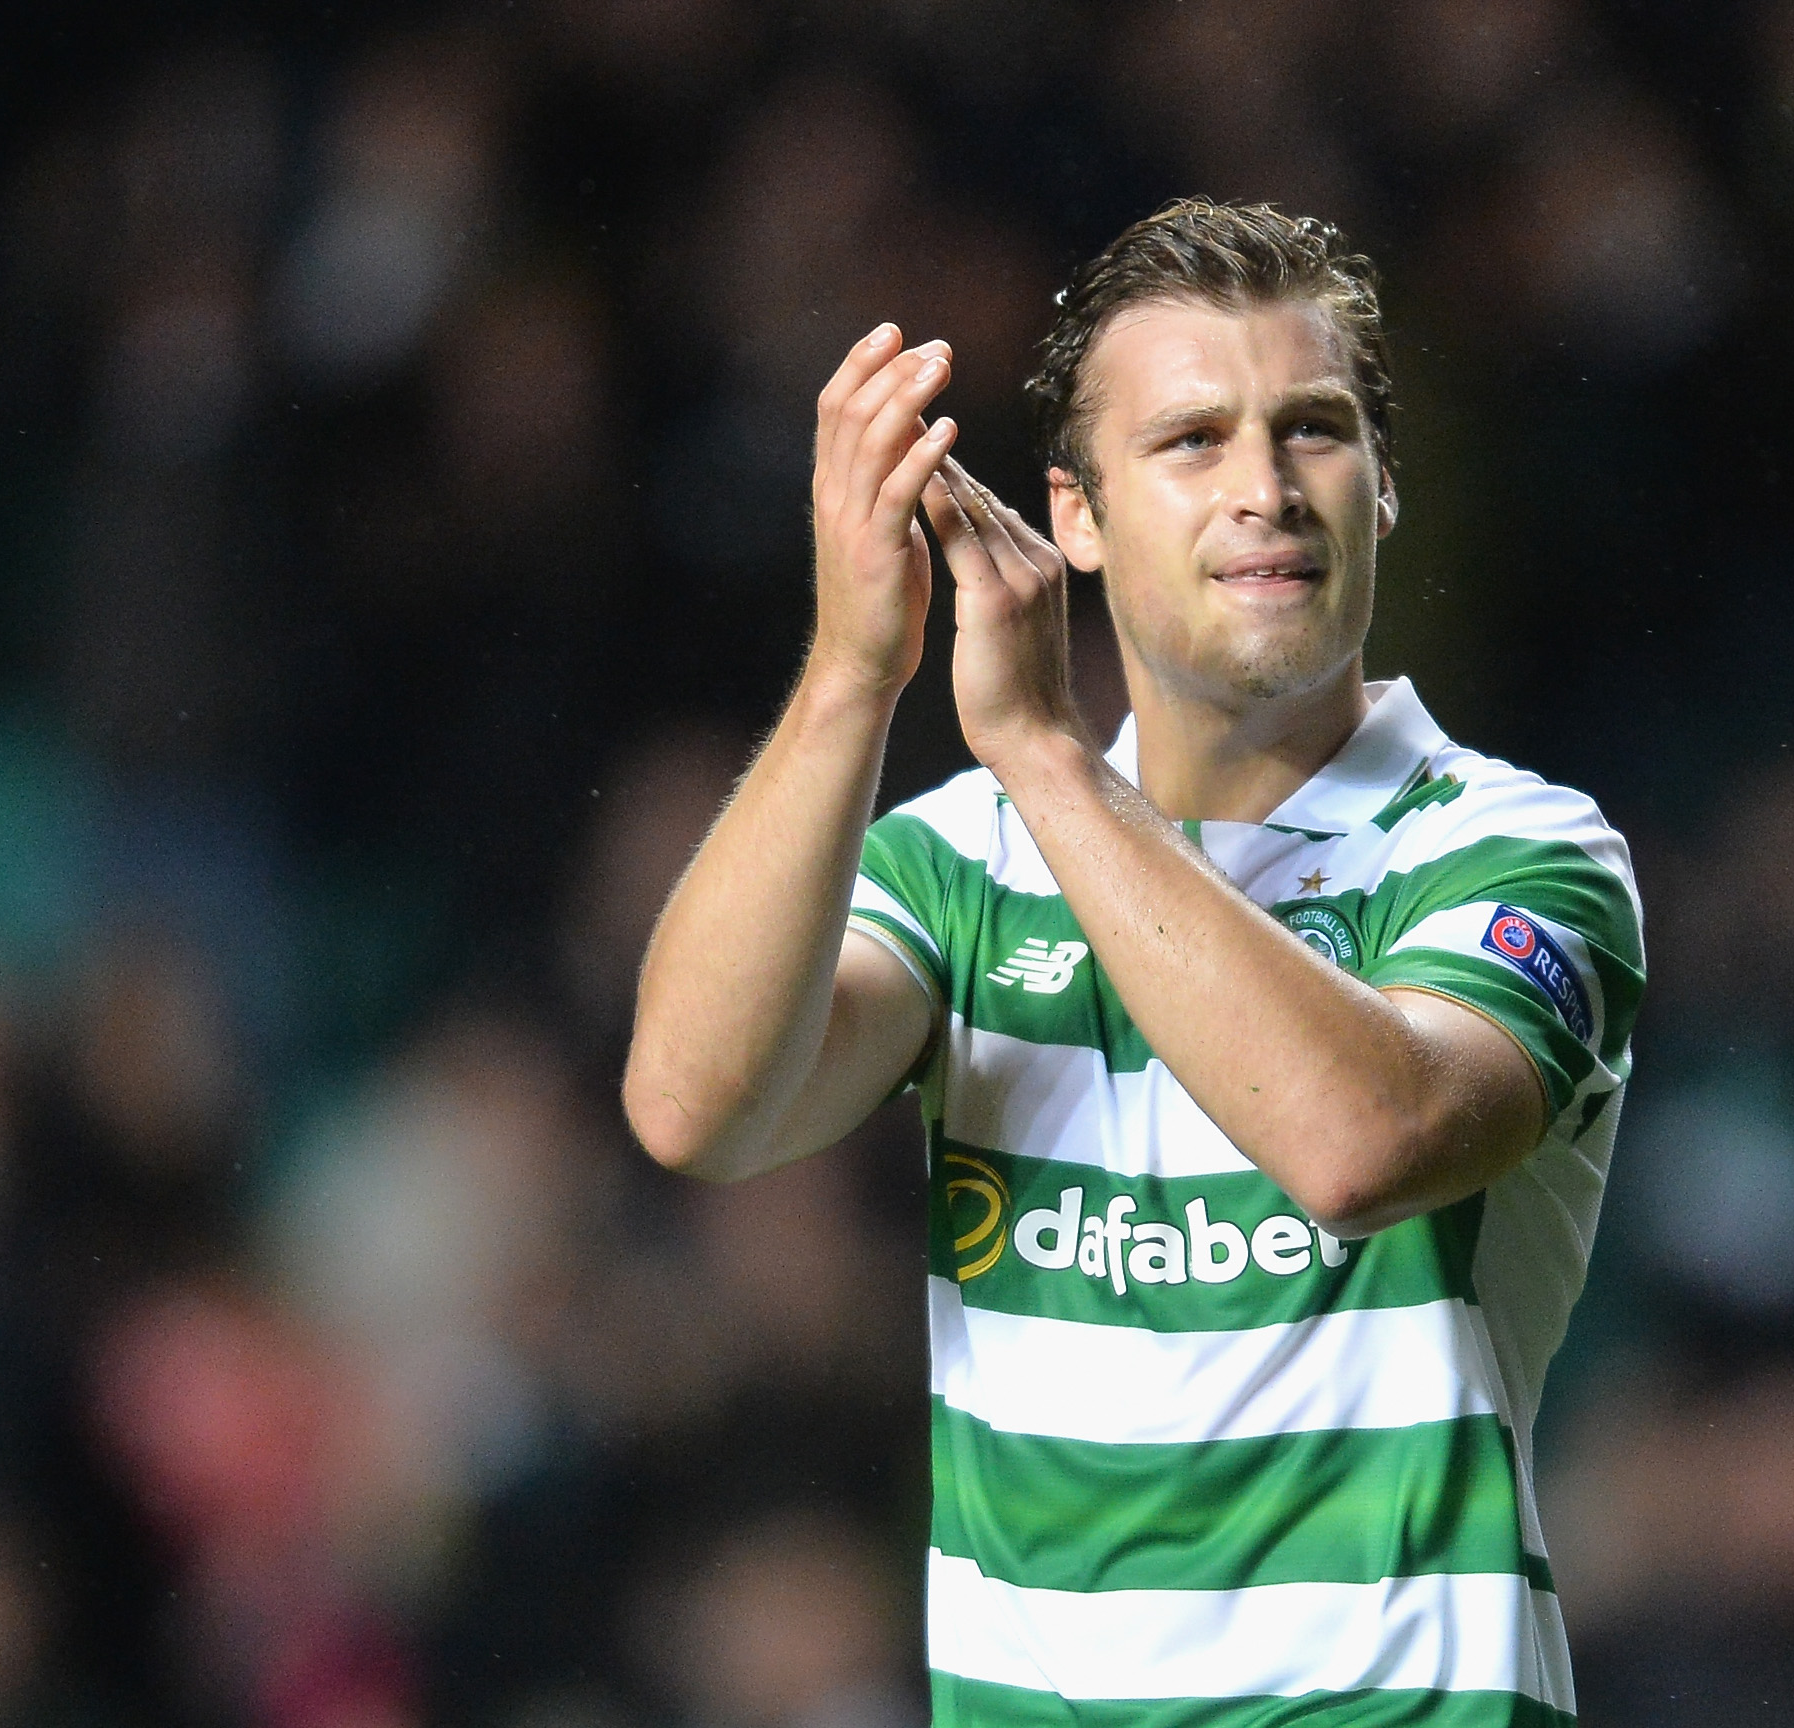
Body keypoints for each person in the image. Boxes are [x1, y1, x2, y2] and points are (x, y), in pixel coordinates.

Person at [625, 199, 1643, 1727]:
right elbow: (697, 1107)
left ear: (1381, 493)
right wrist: (850, 674)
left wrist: (1043, 754)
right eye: (1191, 442)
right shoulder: (964, 859)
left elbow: (1358, 1142)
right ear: (1075, 517)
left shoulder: (1516, 851)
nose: (1264, 489)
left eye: (1313, 431)